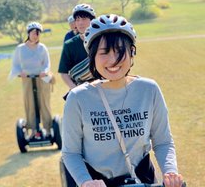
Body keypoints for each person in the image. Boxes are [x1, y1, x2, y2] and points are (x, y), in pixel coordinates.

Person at [61, 14, 184, 187]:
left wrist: (170, 171)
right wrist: (85, 181)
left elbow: (163, 140)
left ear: (132, 52)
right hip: (96, 180)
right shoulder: (78, 98)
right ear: (92, 56)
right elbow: (70, 152)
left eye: (120, 51)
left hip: (142, 179)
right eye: (104, 52)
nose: (113, 60)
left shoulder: (149, 89)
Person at [9, 22, 54, 139]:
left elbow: (47, 63)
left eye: (38, 33)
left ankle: (48, 129)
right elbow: (15, 65)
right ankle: (33, 130)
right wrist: (20, 72)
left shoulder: (42, 48)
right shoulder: (20, 49)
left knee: (44, 103)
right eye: (34, 33)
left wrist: (44, 71)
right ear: (28, 33)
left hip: (42, 78)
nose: (36, 35)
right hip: (27, 79)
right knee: (30, 104)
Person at [58, 4, 96, 95]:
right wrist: (76, 90)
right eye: (77, 20)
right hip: (80, 90)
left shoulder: (101, 41)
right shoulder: (69, 45)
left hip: (102, 88)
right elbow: (64, 73)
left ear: (92, 20)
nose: (80, 23)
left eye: (84, 19)